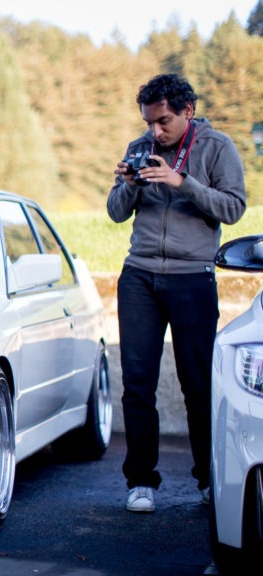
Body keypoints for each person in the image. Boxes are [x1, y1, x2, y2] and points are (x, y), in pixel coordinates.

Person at [108, 73, 246, 513]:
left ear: (187, 111)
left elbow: (234, 207)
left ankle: (209, 480)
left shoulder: (217, 147)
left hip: (192, 278)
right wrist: (130, 183)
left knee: (199, 384)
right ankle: (141, 482)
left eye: (163, 121)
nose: (155, 131)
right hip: (140, 278)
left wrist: (181, 181)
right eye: (149, 122)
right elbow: (114, 212)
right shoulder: (138, 147)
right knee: (137, 384)